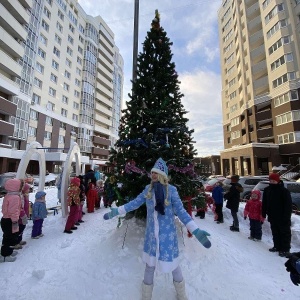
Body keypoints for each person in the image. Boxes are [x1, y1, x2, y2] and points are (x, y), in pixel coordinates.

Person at [103, 158, 211, 300]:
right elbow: (134, 203)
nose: (153, 175)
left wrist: (195, 230)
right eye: (152, 173)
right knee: (149, 266)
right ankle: (146, 296)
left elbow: (181, 212)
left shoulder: (171, 191)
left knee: (174, 266)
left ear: (162, 175)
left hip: (168, 237)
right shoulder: (148, 191)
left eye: (156, 173)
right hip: (151, 238)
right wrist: (117, 211)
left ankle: (182, 295)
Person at [262, 172, 292, 257]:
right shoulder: (267, 190)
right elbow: (265, 203)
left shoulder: (284, 191)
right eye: (271, 180)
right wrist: (263, 213)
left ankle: (285, 249)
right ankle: (277, 246)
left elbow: (288, 205)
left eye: (274, 181)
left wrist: (286, 216)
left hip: (282, 216)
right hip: (272, 215)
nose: (272, 182)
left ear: (278, 181)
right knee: (275, 232)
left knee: (284, 233)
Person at [0, 179, 24, 262]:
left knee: (7, 237)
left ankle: (6, 252)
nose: (21, 188)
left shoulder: (9, 195)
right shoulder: (15, 197)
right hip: (11, 220)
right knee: (10, 238)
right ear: (16, 187)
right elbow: (13, 210)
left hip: (5, 219)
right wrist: (15, 221)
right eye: (20, 186)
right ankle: (6, 255)